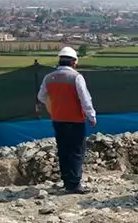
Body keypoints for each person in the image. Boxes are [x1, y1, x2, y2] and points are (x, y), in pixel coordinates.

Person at [37, 46, 97, 194]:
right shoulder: (76, 77)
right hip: (75, 120)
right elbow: (85, 99)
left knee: (63, 150)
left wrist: (56, 105)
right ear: (74, 62)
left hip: (58, 119)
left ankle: (67, 181)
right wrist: (91, 116)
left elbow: (41, 96)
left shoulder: (48, 78)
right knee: (76, 151)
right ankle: (74, 185)